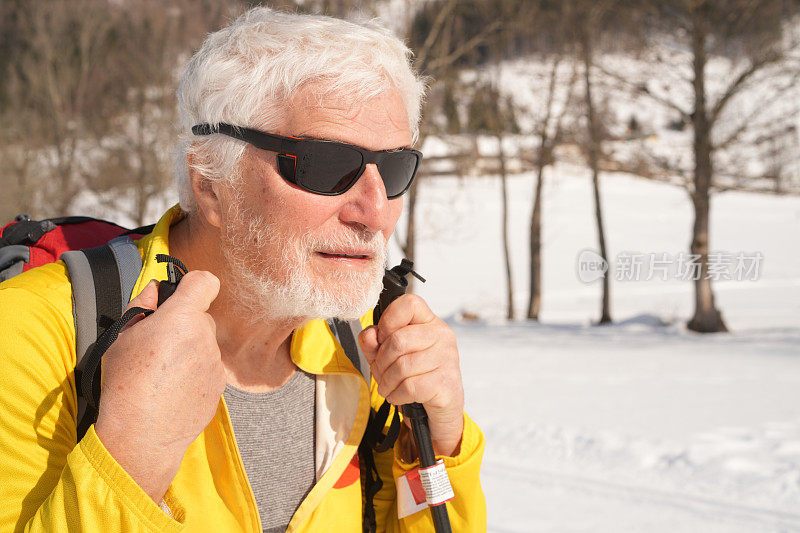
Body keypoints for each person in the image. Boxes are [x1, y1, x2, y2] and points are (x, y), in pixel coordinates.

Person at [0, 7, 485, 532]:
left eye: (393, 168)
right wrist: (131, 460)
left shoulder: (365, 354)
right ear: (209, 180)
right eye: (322, 165)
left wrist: (440, 441)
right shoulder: (34, 333)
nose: (373, 210)